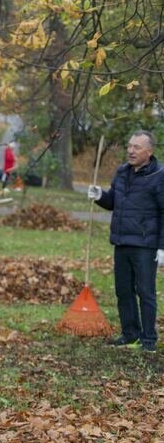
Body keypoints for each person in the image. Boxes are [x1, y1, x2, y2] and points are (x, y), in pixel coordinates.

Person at [88, 130, 163, 352]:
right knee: (123, 291)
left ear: (149, 152)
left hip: (145, 244)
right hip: (121, 241)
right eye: (129, 146)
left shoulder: (159, 175)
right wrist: (100, 195)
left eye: (137, 147)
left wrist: (162, 247)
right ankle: (130, 334)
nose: (130, 151)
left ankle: (148, 340)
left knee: (145, 292)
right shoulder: (122, 172)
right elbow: (114, 202)